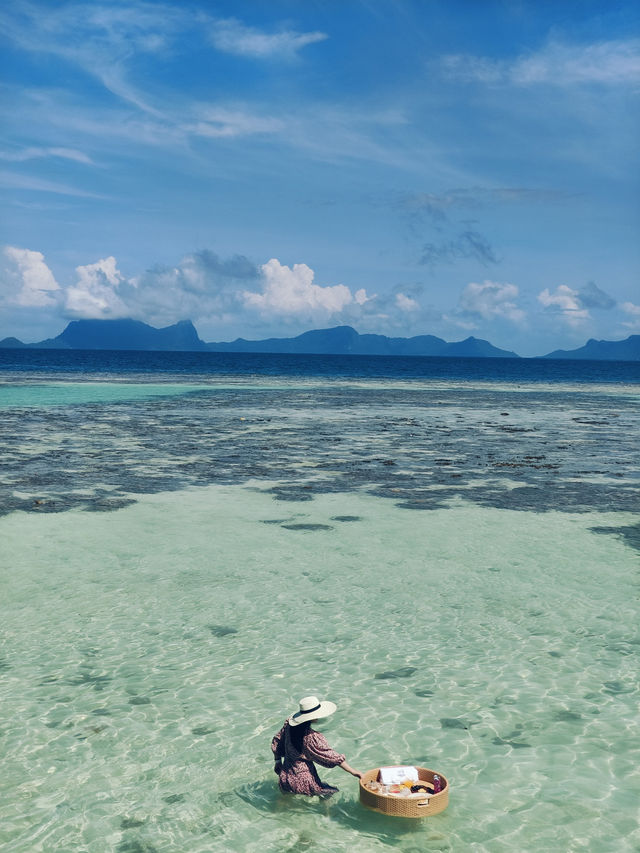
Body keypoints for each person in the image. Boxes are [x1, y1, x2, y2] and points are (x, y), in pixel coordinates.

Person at [271, 695, 362, 796]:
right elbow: (331, 756)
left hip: (285, 776)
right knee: (329, 793)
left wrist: (277, 761)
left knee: (284, 801)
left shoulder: (288, 725)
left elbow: (277, 741)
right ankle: (328, 813)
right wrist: (353, 771)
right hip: (304, 779)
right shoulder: (311, 737)